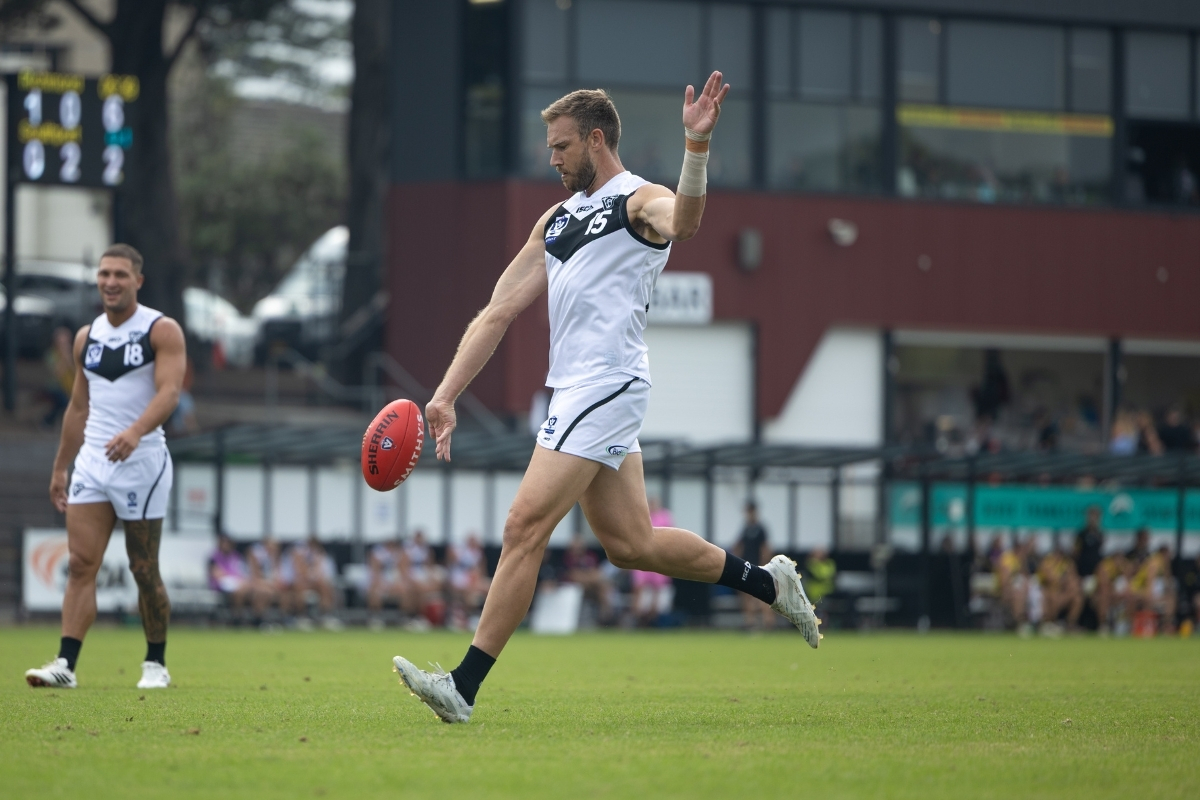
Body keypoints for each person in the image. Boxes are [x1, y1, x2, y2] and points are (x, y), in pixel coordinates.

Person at [392, 75, 819, 725]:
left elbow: (686, 221)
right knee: (631, 544)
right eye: (549, 147)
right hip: (573, 389)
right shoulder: (556, 220)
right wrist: (446, 395)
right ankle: (769, 582)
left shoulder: (638, 200)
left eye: (561, 146)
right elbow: (498, 311)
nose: (552, 158)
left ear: (596, 139)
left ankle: (463, 687)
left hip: (608, 383)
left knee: (523, 526)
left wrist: (696, 146)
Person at [26, 245, 186, 690]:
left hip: (143, 463)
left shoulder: (161, 330)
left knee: (143, 568)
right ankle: (66, 664)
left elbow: (170, 393)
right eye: (104, 274)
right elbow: (78, 407)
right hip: (94, 463)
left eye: (120, 274)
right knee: (80, 564)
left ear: (138, 280)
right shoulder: (87, 337)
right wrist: (61, 467)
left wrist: (135, 432)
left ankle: (155, 663)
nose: (110, 282)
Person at [733, 501, 774, 630]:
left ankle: (768, 622)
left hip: (758, 566)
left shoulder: (760, 529)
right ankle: (750, 622)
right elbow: (739, 546)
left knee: (762, 594)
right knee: (746, 595)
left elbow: (765, 548)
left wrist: (764, 565)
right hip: (746, 565)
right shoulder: (745, 528)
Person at [562, 533, 613, 623]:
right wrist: (588, 576)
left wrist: (587, 576)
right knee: (592, 584)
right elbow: (573, 575)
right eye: (575, 547)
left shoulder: (590, 556)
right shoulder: (567, 558)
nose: (578, 549)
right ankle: (605, 618)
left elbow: (597, 573)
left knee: (604, 587)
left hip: (591, 586)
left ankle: (606, 617)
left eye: (580, 547)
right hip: (574, 587)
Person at [447, 535, 491, 629]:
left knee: (490, 588)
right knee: (469, 591)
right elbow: (451, 563)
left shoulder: (478, 554)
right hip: (460, 580)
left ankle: (486, 617)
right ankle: (467, 616)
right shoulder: (460, 551)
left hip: (474, 580)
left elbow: (481, 571)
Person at [367, 538, 412, 622]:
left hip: (396, 581)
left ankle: (405, 617)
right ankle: (375, 617)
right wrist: (383, 584)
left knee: (406, 590)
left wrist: (396, 583)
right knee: (374, 589)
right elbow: (375, 572)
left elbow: (403, 571)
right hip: (381, 581)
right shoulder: (377, 552)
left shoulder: (401, 553)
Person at [209, 533, 253, 613]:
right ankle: (237, 614)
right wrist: (234, 579)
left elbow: (242, 572)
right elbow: (217, 575)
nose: (226, 545)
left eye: (227, 543)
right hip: (222, 584)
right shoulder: (214, 558)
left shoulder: (236, 556)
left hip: (239, 582)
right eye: (224, 543)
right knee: (239, 591)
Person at [43, 326, 75, 428]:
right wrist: (64, 358)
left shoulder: (73, 353)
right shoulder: (51, 354)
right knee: (64, 402)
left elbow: (75, 372)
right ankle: (48, 420)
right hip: (55, 386)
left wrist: (69, 359)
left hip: (70, 386)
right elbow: (57, 373)